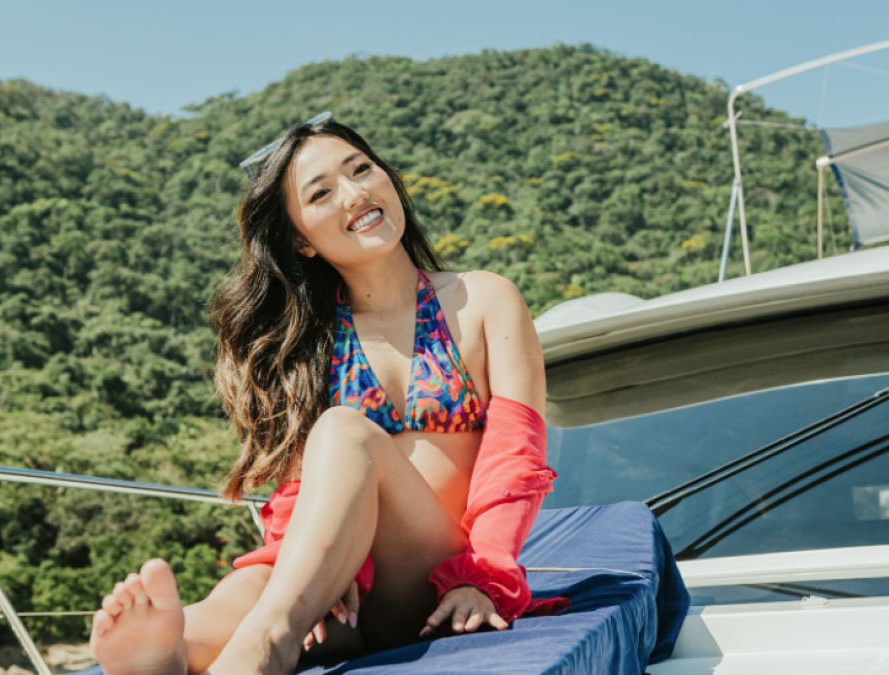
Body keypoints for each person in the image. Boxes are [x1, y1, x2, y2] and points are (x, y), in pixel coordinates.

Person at [87, 117, 562, 675]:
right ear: (301, 241)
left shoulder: (482, 301)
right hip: (342, 590)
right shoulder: (303, 344)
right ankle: (171, 651)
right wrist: (322, 570)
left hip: (437, 583)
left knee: (342, 430)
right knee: (251, 588)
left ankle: (268, 642)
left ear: (388, 178)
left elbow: (514, 460)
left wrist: (485, 578)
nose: (354, 193)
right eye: (321, 193)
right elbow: (298, 489)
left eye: (361, 169)